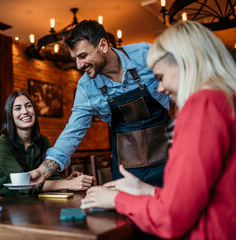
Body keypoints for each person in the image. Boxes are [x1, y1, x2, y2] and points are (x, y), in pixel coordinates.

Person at [81, 21, 236, 239]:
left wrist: (115, 199)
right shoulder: (225, 98)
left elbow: (172, 217)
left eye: (161, 77)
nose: (160, 88)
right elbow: (199, 197)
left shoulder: (202, 104)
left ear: (185, 63)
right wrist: (145, 190)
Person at [30, 20, 172, 188]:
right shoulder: (87, 87)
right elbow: (72, 132)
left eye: (83, 56)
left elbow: (185, 88)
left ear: (103, 45)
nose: (78, 65)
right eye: (75, 59)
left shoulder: (145, 55)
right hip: (127, 168)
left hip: (171, 158)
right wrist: (43, 171)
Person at [0, 91, 94, 196]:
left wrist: (67, 180)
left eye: (28, 106)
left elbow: (49, 177)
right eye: (18, 108)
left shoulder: (43, 141)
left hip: (37, 202)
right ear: (10, 115)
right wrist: (67, 184)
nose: (25, 111)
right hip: (7, 203)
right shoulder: (2, 143)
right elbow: (22, 185)